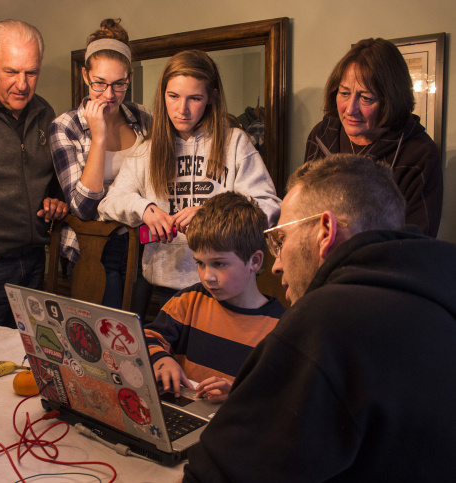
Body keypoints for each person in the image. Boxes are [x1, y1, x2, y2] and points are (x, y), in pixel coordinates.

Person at [183, 154, 456, 482]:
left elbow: (218, 475)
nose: (277, 264)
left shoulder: (326, 321)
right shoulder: (437, 298)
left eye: (280, 240)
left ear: (325, 231)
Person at [98, 50, 281, 311]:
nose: (182, 109)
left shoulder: (235, 143)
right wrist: (144, 209)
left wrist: (211, 216)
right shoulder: (146, 150)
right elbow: (109, 203)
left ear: (211, 98)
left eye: (195, 98)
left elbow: (269, 205)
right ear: (163, 95)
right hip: (167, 285)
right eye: (173, 96)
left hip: (228, 284)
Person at [0, 20, 67, 328]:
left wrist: (55, 200)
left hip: (34, 266)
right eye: (12, 71)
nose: (22, 84)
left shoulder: (45, 112)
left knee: (30, 360)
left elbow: (55, 180)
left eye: (31, 72)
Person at [50, 18, 152, 310]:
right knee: (100, 341)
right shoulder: (65, 126)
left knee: (137, 334)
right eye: (100, 84)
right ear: (85, 76)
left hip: (140, 245)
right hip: (92, 248)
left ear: (130, 77)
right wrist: (98, 137)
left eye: (119, 84)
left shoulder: (142, 118)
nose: (109, 95)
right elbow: (83, 209)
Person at [144, 192, 285, 401]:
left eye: (219, 264)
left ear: (255, 261)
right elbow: (145, 339)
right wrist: (162, 360)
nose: (207, 277)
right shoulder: (188, 300)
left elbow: (280, 395)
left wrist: (238, 392)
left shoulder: (281, 327)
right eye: (200, 263)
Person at [305, 38, 442, 238]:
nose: (351, 109)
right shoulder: (321, 135)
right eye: (344, 93)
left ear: (390, 100)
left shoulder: (418, 153)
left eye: (366, 98)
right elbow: (303, 212)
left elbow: (417, 244)